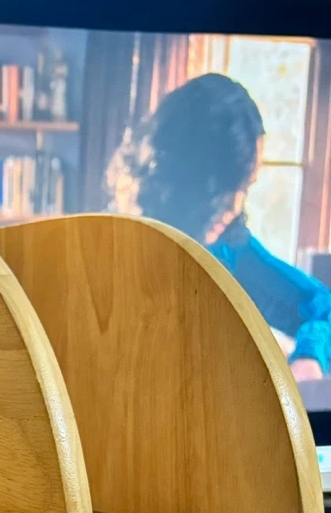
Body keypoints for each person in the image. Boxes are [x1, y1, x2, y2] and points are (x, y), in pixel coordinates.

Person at [107, 72, 331, 380]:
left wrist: (308, 356)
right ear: (183, 178)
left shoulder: (230, 249)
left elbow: (321, 306)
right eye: (225, 188)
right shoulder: (112, 246)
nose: (235, 206)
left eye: (245, 187)